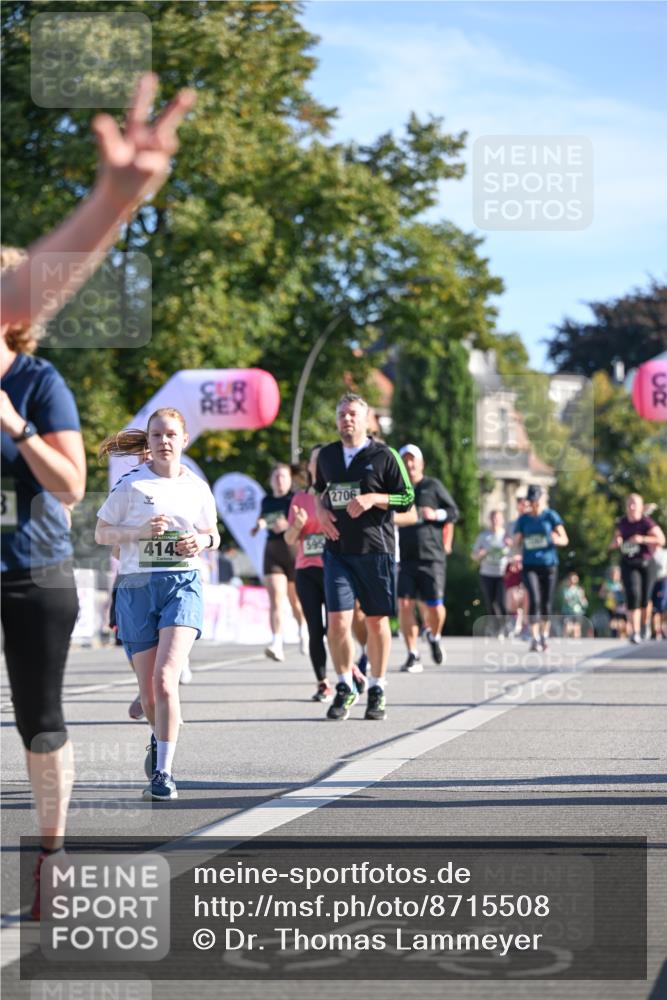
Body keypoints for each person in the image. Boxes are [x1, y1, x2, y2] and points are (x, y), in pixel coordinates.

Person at [95, 409, 220, 801]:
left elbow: (213, 533)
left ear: (184, 439)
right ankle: (157, 735)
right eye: (156, 435)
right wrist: (137, 532)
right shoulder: (131, 484)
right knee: (149, 694)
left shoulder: (198, 487)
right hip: (137, 588)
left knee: (166, 679)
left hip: (182, 584)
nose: (163, 441)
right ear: (147, 442)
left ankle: (163, 774)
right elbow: (101, 533)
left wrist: (202, 542)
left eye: (170, 434)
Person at [315, 393, 414, 721]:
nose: (347, 419)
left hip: (376, 551)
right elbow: (319, 490)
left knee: (375, 621)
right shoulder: (327, 455)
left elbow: (407, 497)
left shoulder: (384, 455)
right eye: (342, 414)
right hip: (338, 552)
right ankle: (344, 684)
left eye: (353, 414)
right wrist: (320, 511)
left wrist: (374, 497)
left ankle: (377, 686)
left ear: (367, 418)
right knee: (338, 622)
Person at [396, 444, 459, 670]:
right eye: (405, 460)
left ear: (421, 464)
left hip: (432, 556)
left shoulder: (432, 486)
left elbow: (454, 512)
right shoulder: (397, 489)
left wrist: (437, 514)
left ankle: (434, 636)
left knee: (435, 607)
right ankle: (413, 654)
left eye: (413, 460)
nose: (409, 464)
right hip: (405, 557)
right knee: (404, 604)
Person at [284, 445, 334, 702]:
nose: (318, 464)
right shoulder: (300, 498)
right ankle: (323, 682)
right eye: (314, 460)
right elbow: (290, 538)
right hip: (307, 570)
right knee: (315, 628)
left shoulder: (337, 494)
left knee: (337, 627)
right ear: (309, 467)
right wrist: (299, 525)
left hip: (335, 569)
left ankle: (351, 672)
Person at [252, 463, 306, 661]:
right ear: (271, 480)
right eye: (276, 477)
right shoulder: (266, 500)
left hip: (293, 552)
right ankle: (276, 643)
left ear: (290, 479)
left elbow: (304, 522)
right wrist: (259, 525)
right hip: (272, 551)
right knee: (275, 599)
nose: (279, 480)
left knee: (295, 601)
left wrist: (289, 525)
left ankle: (304, 632)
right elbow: (264, 518)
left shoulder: (295, 499)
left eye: (283, 476)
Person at [513, 484, 569, 652]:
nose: (534, 504)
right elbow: (516, 542)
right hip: (530, 565)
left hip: (549, 564)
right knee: (534, 600)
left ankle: (544, 636)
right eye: (531, 500)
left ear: (542, 500)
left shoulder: (551, 516)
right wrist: (515, 553)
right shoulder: (523, 519)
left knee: (546, 603)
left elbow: (564, 539)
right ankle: (534, 636)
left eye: (537, 500)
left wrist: (555, 539)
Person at [609, 493, 665, 643]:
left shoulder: (647, 523)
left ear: (641, 507)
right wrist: (617, 541)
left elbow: (661, 539)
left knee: (645, 599)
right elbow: (614, 542)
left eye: (635, 504)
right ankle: (635, 632)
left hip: (646, 564)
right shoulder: (622, 523)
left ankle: (644, 624)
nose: (632, 507)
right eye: (629, 504)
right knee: (633, 595)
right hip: (628, 564)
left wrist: (643, 539)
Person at [471, 510, 513, 637]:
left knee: (501, 602)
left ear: (502, 521)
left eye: (498, 519)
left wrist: (511, 546)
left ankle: (506, 624)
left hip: (503, 574)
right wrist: (480, 554)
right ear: (490, 520)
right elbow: (473, 555)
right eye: (493, 518)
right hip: (487, 573)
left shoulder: (507, 536)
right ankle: (496, 628)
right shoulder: (484, 536)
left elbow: (515, 553)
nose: (495, 521)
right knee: (490, 602)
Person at [598, 565, 628, 639]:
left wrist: (622, 592)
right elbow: (600, 594)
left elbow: (626, 594)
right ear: (611, 574)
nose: (615, 576)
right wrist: (607, 594)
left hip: (621, 605)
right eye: (614, 574)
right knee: (613, 620)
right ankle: (614, 634)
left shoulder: (621, 583)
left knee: (622, 620)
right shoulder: (606, 583)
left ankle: (621, 634)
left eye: (617, 574)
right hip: (610, 605)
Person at [559, 571, 589, 638]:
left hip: (577, 611)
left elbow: (583, 599)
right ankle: (566, 639)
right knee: (567, 626)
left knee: (577, 627)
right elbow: (566, 600)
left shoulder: (579, 589)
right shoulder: (566, 590)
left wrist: (583, 602)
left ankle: (576, 642)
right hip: (568, 611)